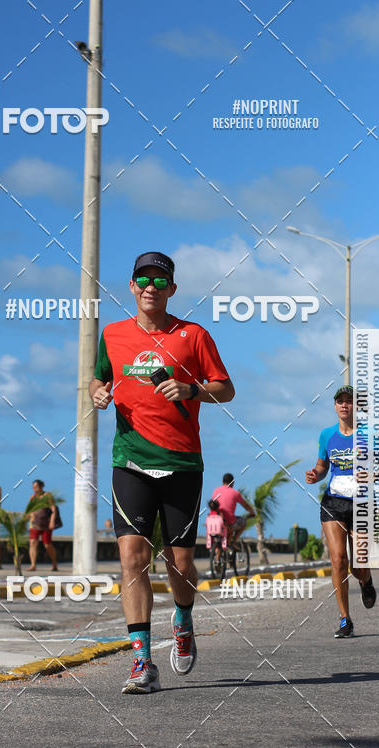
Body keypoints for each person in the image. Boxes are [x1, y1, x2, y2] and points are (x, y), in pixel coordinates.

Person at [90, 250, 234, 694]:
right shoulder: (112, 334)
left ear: (171, 289)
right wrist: (97, 393)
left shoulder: (194, 335)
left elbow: (225, 389)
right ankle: (142, 662)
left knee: (180, 563)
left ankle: (183, 619)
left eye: (159, 280)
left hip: (181, 463)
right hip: (130, 461)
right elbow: (98, 378)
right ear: (132, 287)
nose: (150, 287)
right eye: (143, 279)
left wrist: (191, 389)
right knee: (132, 559)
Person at [305, 385, 379, 638]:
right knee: (338, 560)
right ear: (335, 406)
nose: (344, 405)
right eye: (340, 401)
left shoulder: (370, 434)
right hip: (333, 502)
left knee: (358, 565)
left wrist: (372, 475)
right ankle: (345, 619)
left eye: (349, 401)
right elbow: (322, 466)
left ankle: (366, 580)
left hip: (362, 504)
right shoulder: (326, 435)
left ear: (357, 406)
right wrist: (315, 475)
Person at [212, 473, 255, 546]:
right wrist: (252, 512)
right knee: (243, 522)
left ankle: (220, 550)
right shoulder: (235, 493)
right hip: (229, 523)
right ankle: (233, 542)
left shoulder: (216, 491)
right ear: (233, 482)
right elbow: (246, 505)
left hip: (216, 521)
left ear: (222, 481)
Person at [27, 479, 58, 571]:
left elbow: (53, 510)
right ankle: (33, 565)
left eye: (36, 487)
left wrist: (52, 521)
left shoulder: (47, 496)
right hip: (34, 524)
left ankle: (54, 563)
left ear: (41, 487)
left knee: (47, 545)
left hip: (46, 524)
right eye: (33, 487)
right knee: (33, 543)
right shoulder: (32, 497)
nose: (35, 489)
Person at [205, 498, 227, 569]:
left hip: (210, 533)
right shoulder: (220, 514)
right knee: (220, 545)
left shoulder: (208, 515)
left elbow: (206, 524)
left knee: (214, 545)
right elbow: (223, 523)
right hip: (219, 533)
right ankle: (217, 560)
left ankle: (215, 556)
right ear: (218, 507)